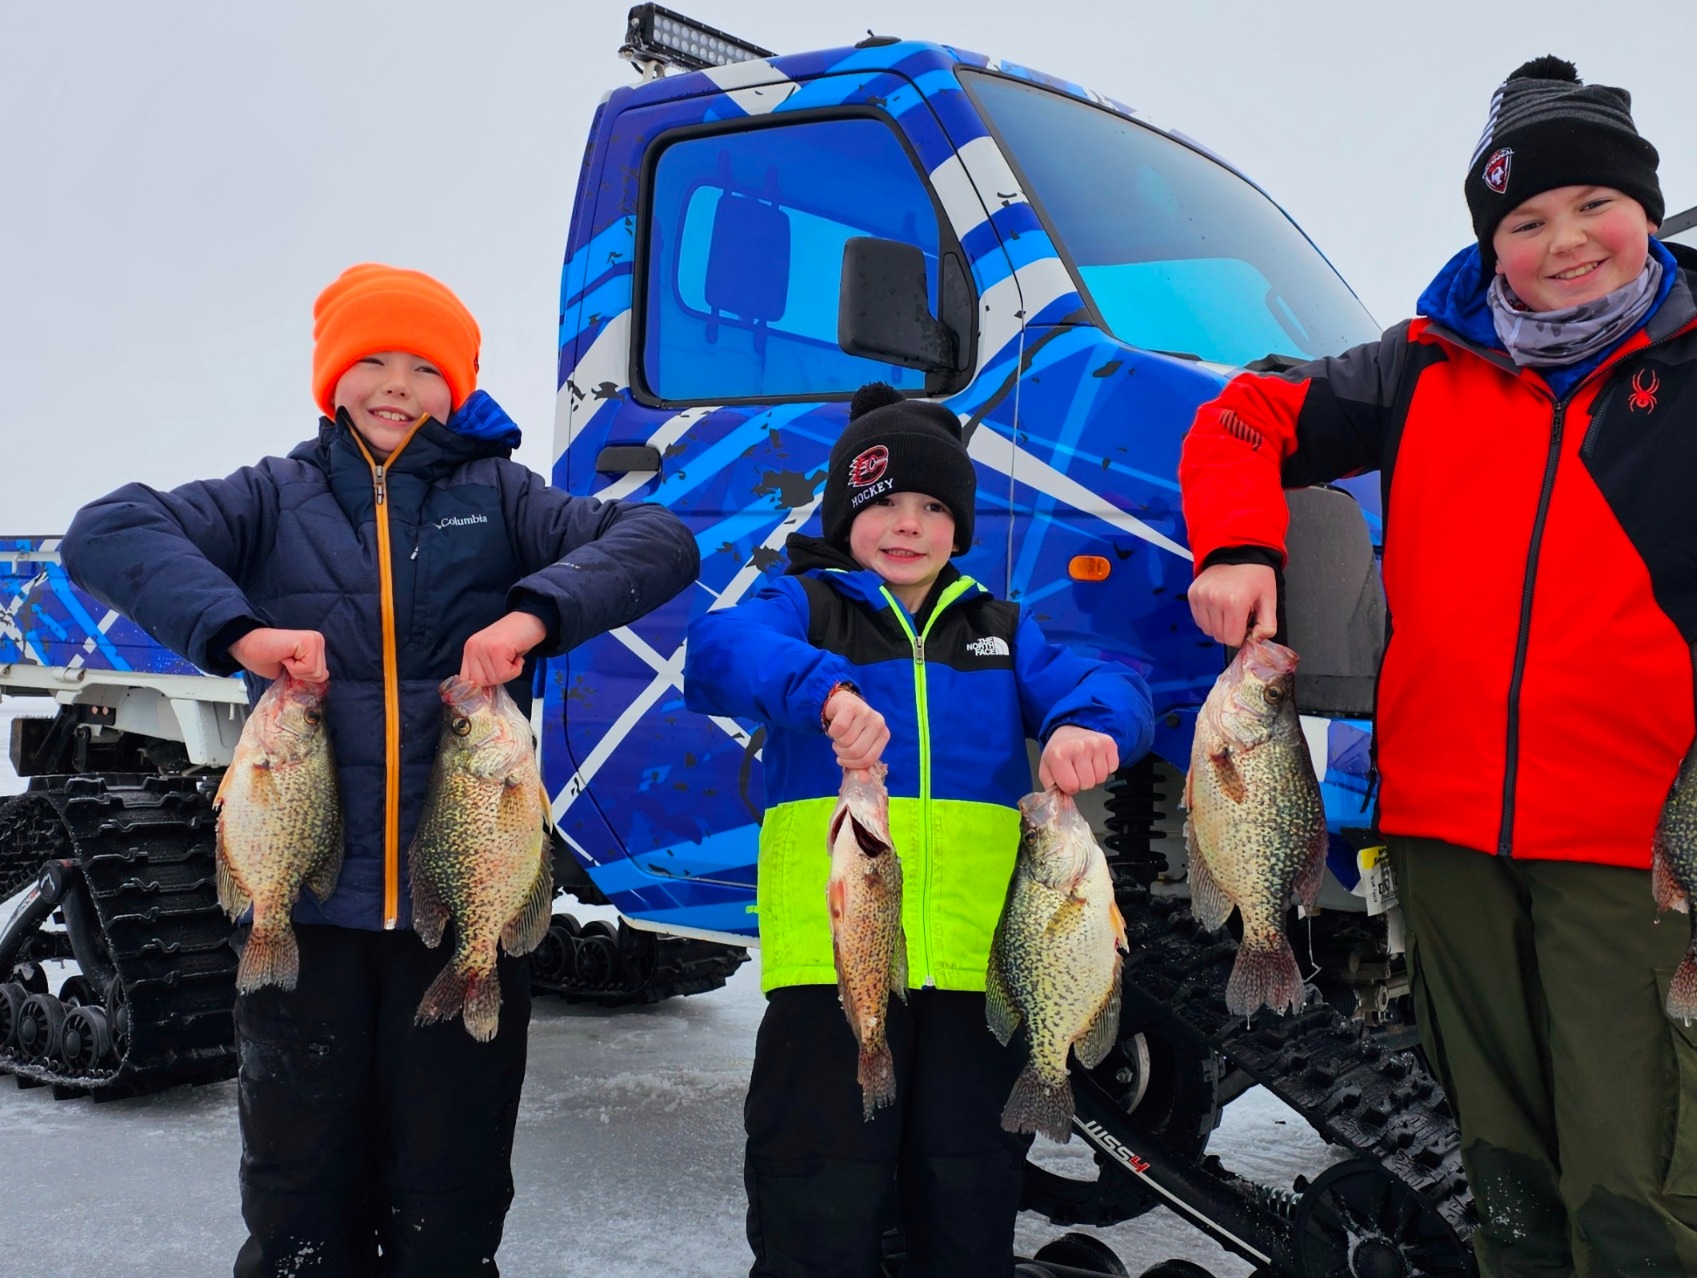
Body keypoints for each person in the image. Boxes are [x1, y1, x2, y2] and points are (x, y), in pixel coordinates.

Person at [1177, 57, 1697, 1277]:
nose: (1563, 241)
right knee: (1505, 1181)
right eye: (1524, 221)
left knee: (1642, 1192)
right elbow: (1241, 417)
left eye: (1593, 206)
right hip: (1445, 841)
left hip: (1640, 847)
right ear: (1490, 240)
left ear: (1646, 211)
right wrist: (1240, 544)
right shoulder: (1416, 367)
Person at [63, 263, 700, 1276]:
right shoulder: (270, 497)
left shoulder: (502, 496)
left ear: (454, 385)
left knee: (449, 1181)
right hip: (307, 923)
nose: (396, 384)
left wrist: (532, 613)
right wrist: (241, 631)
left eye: (422, 365)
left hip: (456, 912)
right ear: (331, 378)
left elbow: (658, 538)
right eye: (371, 360)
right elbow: (108, 531)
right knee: (296, 1177)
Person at [685, 382, 1154, 1277]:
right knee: (816, 1191)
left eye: (933, 507)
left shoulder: (1000, 631)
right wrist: (822, 691)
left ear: (960, 524)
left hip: (982, 971)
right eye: (884, 504)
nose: (908, 526)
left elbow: (1115, 686)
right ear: (845, 512)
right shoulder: (807, 609)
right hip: (832, 966)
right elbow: (716, 653)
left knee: (967, 1197)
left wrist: (1088, 725)